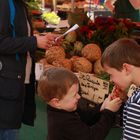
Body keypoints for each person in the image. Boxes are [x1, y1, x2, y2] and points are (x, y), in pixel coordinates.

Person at [0, 0, 58, 139]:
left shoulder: (19, 5)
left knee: (11, 127)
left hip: (15, 81)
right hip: (6, 83)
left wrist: (40, 39)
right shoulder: (4, 4)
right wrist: (34, 41)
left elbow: (19, 37)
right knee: (8, 129)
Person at [38, 67, 122, 140]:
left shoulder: (64, 108)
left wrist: (102, 106)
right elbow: (92, 137)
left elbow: (87, 116)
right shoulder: (63, 122)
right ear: (56, 102)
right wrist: (109, 112)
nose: (78, 97)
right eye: (74, 95)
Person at [101, 37, 140, 139]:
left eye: (111, 74)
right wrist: (126, 100)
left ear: (126, 68)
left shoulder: (136, 103)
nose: (110, 80)